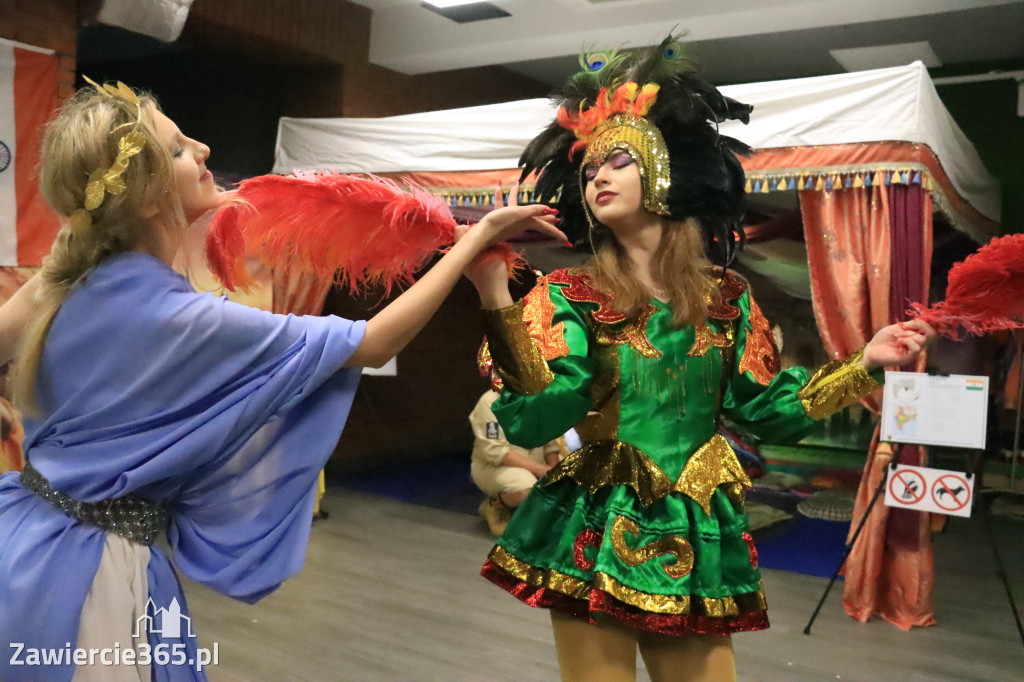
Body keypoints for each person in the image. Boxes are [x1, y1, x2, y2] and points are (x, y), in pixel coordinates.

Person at [0, 80, 563, 681]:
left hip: (20, 537)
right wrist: (474, 238)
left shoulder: (67, 280)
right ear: (145, 197)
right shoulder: (179, 316)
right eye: (181, 149)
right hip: (91, 571)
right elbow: (372, 343)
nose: (205, 148)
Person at [466, 37, 936, 682]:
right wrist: (495, 295)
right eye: (589, 170)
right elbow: (534, 417)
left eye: (619, 161)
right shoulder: (568, 294)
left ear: (667, 173)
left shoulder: (727, 297)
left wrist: (866, 362)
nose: (597, 176)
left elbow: (767, 408)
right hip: (596, 518)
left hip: (698, 519)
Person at [469, 389, 565, 536]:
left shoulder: (538, 398)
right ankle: (495, 505)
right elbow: (496, 452)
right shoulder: (490, 403)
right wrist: (541, 471)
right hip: (495, 467)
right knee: (527, 490)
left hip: (537, 466)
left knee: (572, 481)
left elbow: (550, 442)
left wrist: (553, 468)